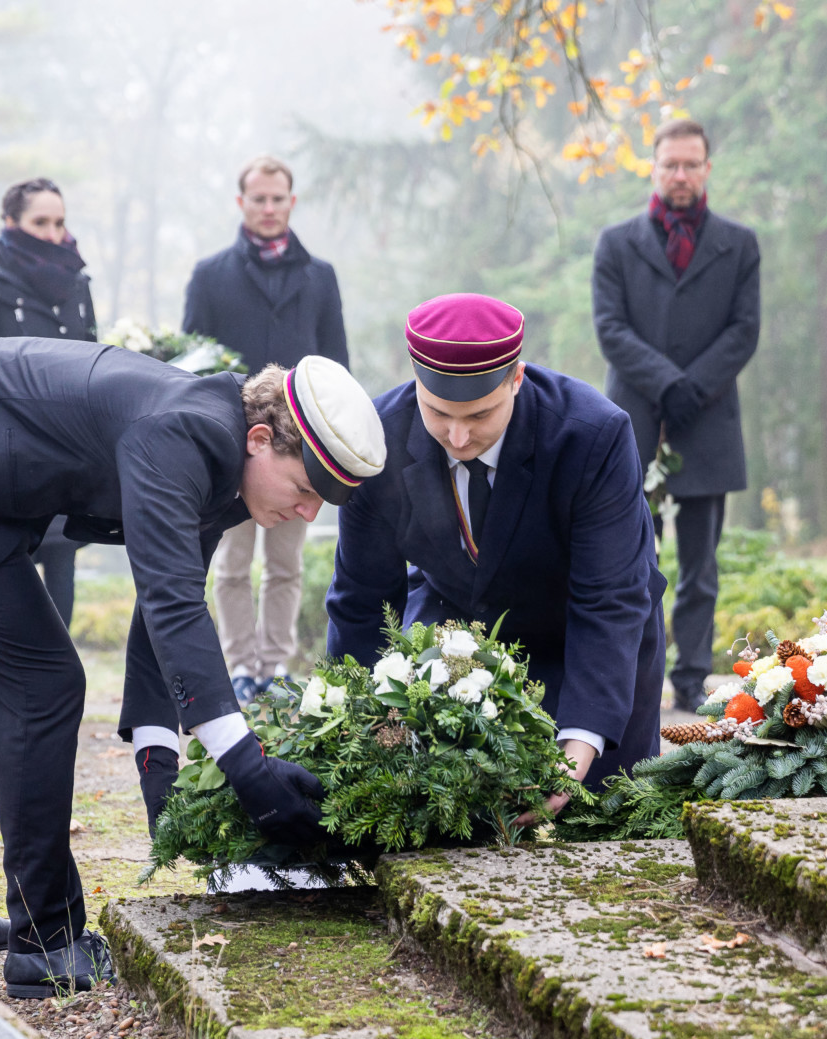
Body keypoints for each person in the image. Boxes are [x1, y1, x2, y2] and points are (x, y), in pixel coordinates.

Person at [0, 343, 383, 995]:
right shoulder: (185, 434)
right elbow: (176, 607)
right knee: (42, 683)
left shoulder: (223, 456)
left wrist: (159, 766)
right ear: (261, 438)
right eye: (305, 489)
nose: (309, 512)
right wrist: (248, 768)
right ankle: (46, 944)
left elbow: (161, 600)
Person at [325, 294, 666, 797]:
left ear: (517, 379)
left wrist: (576, 750)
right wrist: (358, 730)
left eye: (480, 416)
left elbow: (609, 601)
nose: (458, 438)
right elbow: (363, 603)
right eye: (438, 413)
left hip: (588, 644)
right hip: (454, 635)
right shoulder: (376, 442)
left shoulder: (594, 436)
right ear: (416, 380)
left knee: (602, 812)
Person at [592, 118, 760, 714]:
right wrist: (667, 383)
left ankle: (691, 678)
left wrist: (696, 387)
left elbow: (744, 331)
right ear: (654, 167)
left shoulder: (738, 244)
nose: (681, 175)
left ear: (707, 169)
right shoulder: (616, 244)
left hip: (709, 422)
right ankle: (640, 675)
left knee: (700, 566)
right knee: (633, 559)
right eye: (671, 165)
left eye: (692, 165)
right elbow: (611, 329)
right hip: (634, 425)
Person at [183, 156, 349, 704]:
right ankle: (238, 666)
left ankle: (275, 667)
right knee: (230, 562)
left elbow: (336, 362)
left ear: (291, 202)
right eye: (259, 198)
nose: (269, 207)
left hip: (301, 449)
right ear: (242, 203)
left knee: (285, 562)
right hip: (232, 439)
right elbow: (192, 359)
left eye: (278, 198)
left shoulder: (319, 276)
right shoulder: (210, 275)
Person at [0, 177, 98, 631]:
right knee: (5, 596)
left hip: (67, 460)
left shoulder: (78, 285)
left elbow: (95, 368)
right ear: (10, 222)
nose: (54, 234)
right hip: (2, 464)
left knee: (62, 577)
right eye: (40, 222)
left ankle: (59, 696)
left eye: (60, 222)